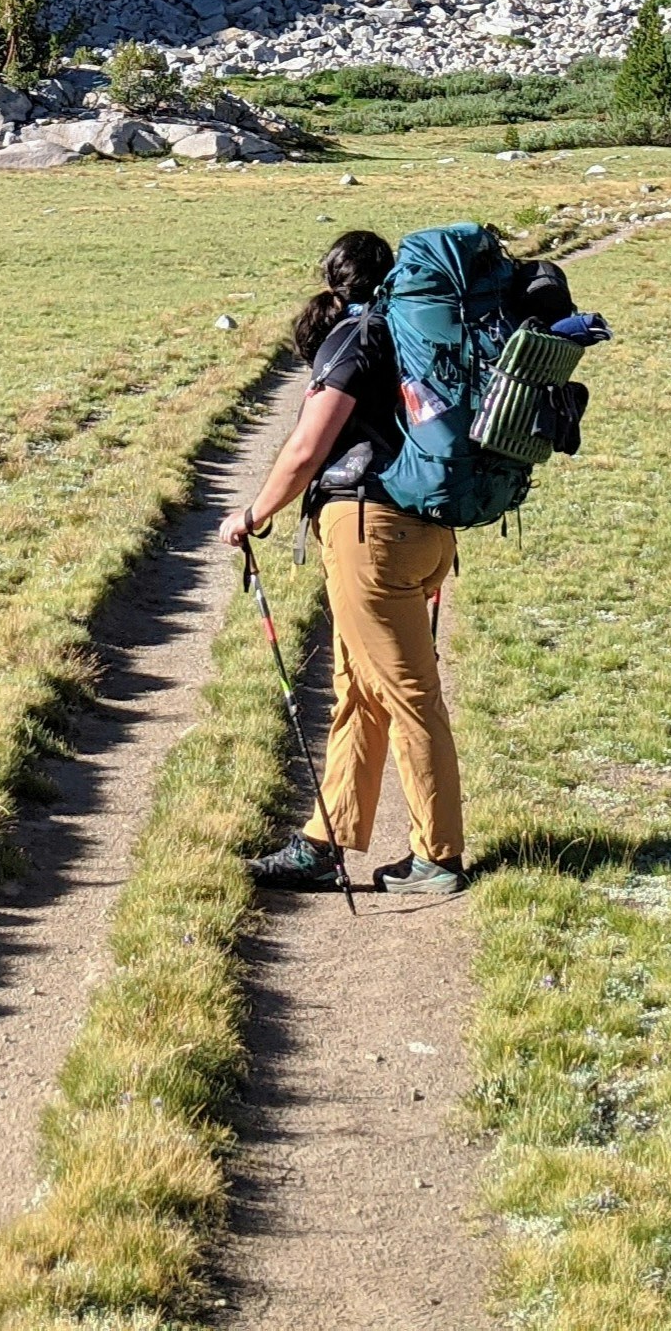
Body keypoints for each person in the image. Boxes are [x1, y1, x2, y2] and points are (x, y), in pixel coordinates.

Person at [229, 228, 466, 902]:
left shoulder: (357, 337)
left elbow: (308, 448)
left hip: (370, 530)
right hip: (425, 530)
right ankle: (325, 842)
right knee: (360, 690)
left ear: (335, 279)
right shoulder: (414, 333)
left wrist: (254, 513)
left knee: (408, 695)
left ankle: (438, 856)